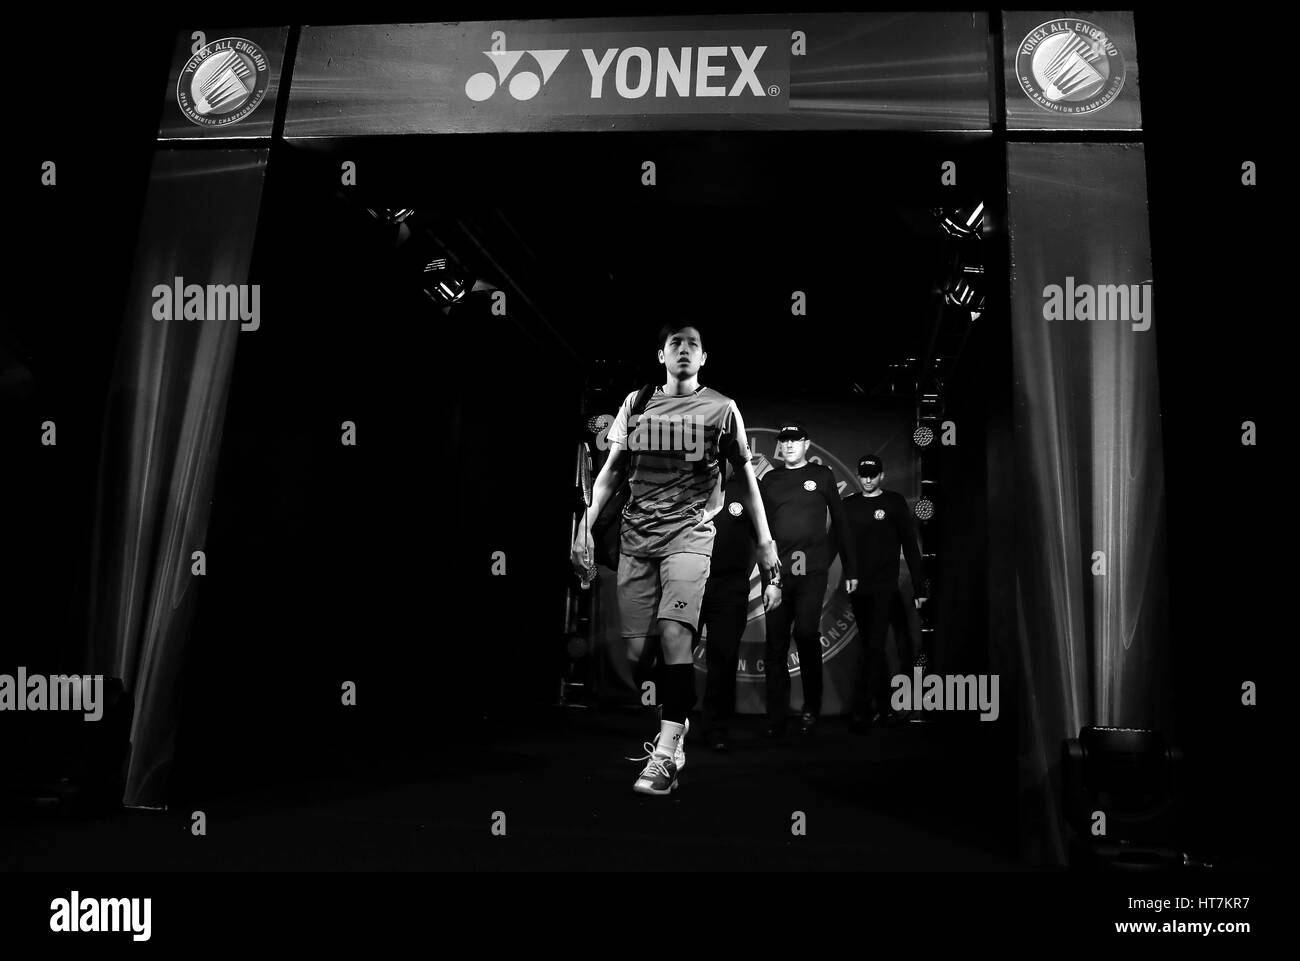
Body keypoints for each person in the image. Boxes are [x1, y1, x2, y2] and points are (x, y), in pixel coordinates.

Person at [571, 322, 780, 795]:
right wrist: (585, 526)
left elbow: (745, 480)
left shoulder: (722, 409)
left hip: (690, 535)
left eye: (693, 344)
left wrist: (766, 544)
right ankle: (675, 722)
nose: (683, 350)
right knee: (638, 653)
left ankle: (666, 755)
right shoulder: (636, 403)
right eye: (674, 344)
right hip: (636, 538)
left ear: (704, 358)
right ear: (661, 355)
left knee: (674, 635)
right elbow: (609, 473)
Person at [759, 422, 858, 738]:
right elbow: (760, 528)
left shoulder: (822, 476)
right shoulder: (770, 480)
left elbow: (841, 524)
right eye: (784, 441)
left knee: (805, 634)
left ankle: (811, 708)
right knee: (775, 645)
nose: (788, 445)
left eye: (794, 440)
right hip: (777, 575)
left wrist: (847, 568)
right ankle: (776, 717)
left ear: (806, 444)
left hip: (811, 575)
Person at [841, 455, 928, 731]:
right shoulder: (849, 505)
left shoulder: (894, 502)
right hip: (857, 586)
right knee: (870, 646)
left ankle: (861, 709)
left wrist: (919, 585)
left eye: (872, 474)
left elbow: (911, 547)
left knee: (877, 644)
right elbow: (839, 544)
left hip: (884, 587)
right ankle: (884, 706)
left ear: (882, 475)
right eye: (863, 475)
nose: (867, 480)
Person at [699, 462, 773, 753]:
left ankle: (716, 728)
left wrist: (773, 582)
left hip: (731, 585)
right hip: (691, 580)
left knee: (724, 658)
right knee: (674, 654)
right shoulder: (694, 481)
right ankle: (672, 727)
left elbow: (767, 538)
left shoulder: (751, 488)